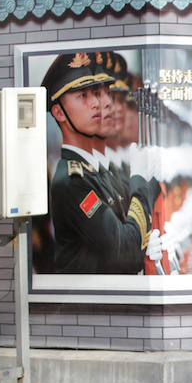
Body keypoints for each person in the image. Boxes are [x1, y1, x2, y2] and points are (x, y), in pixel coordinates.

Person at [42, 52, 159, 274]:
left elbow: (130, 236)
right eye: (83, 96)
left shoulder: (99, 172)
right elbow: (125, 251)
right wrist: (140, 180)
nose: (98, 103)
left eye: (96, 93)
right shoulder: (72, 181)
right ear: (59, 112)